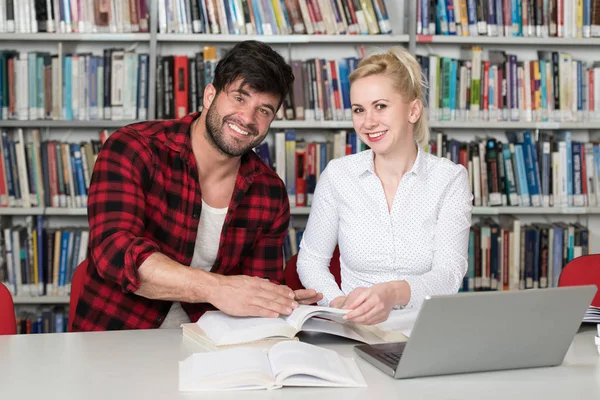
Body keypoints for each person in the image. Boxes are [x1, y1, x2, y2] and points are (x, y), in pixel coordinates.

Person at [71, 40, 322, 331]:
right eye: (240, 98)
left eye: (264, 110)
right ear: (209, 95)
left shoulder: (270, 193)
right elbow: (114, 251)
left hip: (214, 345)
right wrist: (217, 288)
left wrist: (280, 304)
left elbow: (256, 289)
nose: (248, 118)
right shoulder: (134, 148)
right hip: (116, 337)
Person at [296, 47, 473, 326]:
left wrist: (391, 294)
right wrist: (339, 302)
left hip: (424, 331)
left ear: (413, 110)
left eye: (381, 106)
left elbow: (449, 274)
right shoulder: (338, 176)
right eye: (359, 110)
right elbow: (311, 261)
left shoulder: (449, 180)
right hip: (354, 328)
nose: (368, 122)